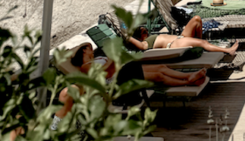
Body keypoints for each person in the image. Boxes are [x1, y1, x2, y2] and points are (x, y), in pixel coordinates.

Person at [54, 43, 208, 127]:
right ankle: (187, 81)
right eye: (87, 48)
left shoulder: (98, 57)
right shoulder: (85, 65)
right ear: (82, 53)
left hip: (123, 72)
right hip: (117, 81)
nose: (90, 49)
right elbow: (104, 73)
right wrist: (112, 59)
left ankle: (189, 77)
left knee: (160, 68)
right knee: (158, 75)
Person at [129, 19, 239, 60]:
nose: (147, 32)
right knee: (203, 42)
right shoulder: (144, 43)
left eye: (146, 30)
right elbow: (141, 46)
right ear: (139, 37)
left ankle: (200, 47)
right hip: (174, 44)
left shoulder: (148, 38)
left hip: (180, 37)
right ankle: (228, 51)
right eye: (144, 32)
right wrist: (127, 37)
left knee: (197, 20)